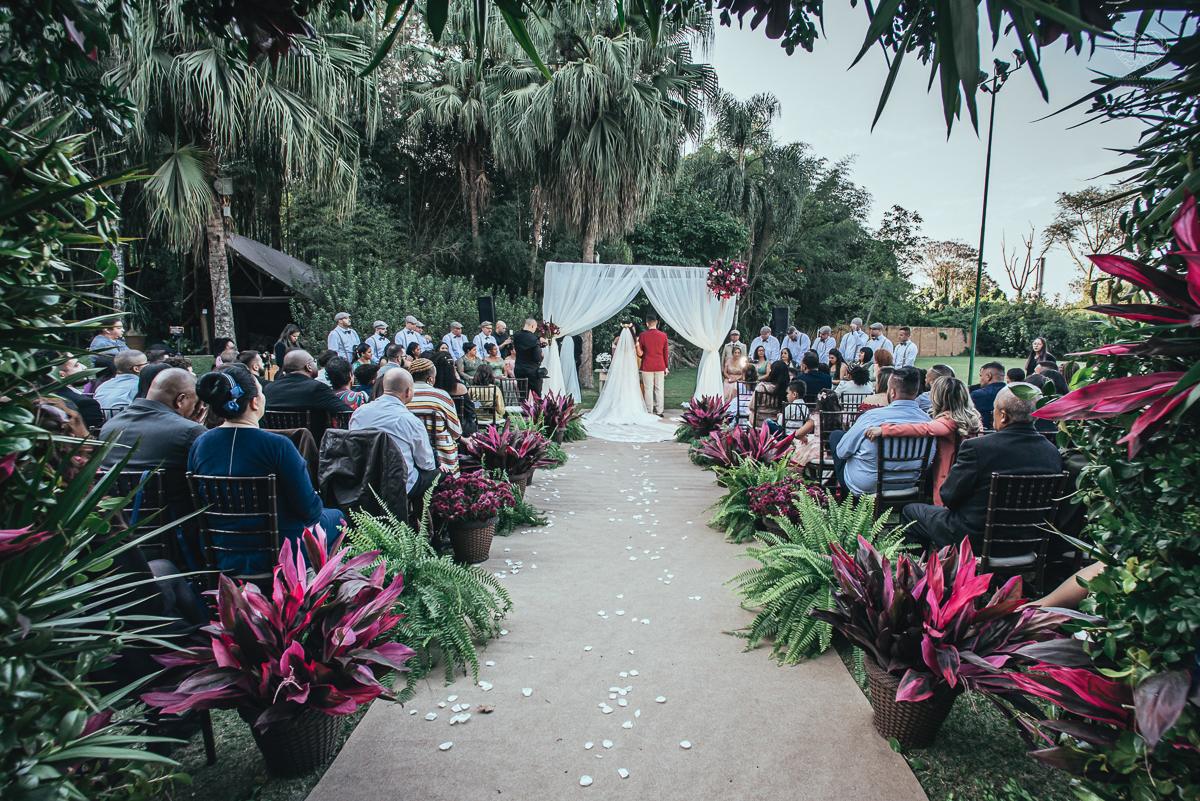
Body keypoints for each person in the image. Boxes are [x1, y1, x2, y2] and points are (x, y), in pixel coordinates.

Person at [189, 366, 344, 573]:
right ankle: (316, 586)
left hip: (220, 551)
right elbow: (309, 510)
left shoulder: (200, 445)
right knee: (337, 517)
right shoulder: (277, 446)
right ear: (255, 402)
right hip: (280, 552)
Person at [900, 383, 1063, 551]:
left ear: (1004, 416)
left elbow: (948, 496)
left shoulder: (978, 448)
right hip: (1028, 539)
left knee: (911, 512)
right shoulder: (1052, 453)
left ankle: (920, 566)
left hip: (974, 538)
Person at [99, 368, 207, 551]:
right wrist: (194, 428)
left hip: (118, 533)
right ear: (180, 400)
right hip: (176, 537)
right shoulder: (189, 432)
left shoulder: (110, 426)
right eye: (195, 402)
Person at [864, 376, 982, 506]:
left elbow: (924, 428)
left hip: (949, 477)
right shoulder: (974, 420)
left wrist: (886, 429)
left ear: (938, 397)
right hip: (969, 473)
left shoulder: (949, 421)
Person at [828, 367, 931, 495]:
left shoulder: (872, 417)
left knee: (836, 436)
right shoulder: (928, 422)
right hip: (907, 483)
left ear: (892, 392)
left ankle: (844, 500)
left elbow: (842, 452)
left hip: (866, 484)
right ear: (916, 392)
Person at [349, 367, 442, 503]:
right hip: (400, 485)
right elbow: (427, 464)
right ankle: (425, 515)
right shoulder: (411, 421)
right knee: (442, 474)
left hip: (363, 481)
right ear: (408, 391)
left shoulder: (358, 413)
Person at [586, 324, 678, 442]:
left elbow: (613, 354)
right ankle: (636, 409)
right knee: (631, 388)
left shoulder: (616, 339)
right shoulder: (634, 340)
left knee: (619, 387)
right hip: (630, 368)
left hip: (620, 368)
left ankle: (617, 409)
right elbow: (640, 354)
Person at [263, 349, 352, 429]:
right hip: (311, 441)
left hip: (277, 441)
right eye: (314, 361)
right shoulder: (316, 388)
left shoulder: (269, 388)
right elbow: (346, 413)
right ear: (308, 367)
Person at [406, 357, 462, 471]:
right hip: (441, 456)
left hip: (409, 454)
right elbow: (456, 432)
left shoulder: (404, 396)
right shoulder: (441, 396)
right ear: (431, 379)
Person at [38, 351, 104, 430]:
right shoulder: (85, 404)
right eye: (76, 365)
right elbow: (95, 435)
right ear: (61, 375)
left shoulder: (32, 399)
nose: (84, 367)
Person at [792, 389, 842, 466]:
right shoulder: (843, 416)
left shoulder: (816, 417)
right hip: (839, 449)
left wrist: (805, 440)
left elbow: (798, 434)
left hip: (819, 450)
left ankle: (811, 473)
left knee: (802, 447)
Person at [638, 313, 670, 416]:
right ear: (656, 322)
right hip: (660, 365)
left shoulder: (643, 335)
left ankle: (649, 411)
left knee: (648, 389)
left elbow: (640, 352)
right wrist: (666, 366)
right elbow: (665, 353)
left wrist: (644, 357)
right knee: (659, 389)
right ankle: (660, 411)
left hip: (647, 365)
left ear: (647, 323)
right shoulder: (663, 335)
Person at [750, 361, 790, 428]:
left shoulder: (762, 386)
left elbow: (751, 406)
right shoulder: (786, 389)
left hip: (759, 421)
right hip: (776, 422)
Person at [513, 318, 544, 397]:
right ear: (533, 326)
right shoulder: (534, 340)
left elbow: (525, 336)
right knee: (537, 396)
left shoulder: (516, 335)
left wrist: (538, 338)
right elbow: (538, 358)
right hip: (532, 371)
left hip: (519, 370)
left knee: (523, 395)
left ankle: (523, 405)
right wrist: (542, 356)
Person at [971, 362, 1007, 428]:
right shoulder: (1012, 394)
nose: (980, 380)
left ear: (989, 376)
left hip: (982, 432)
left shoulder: (977, 395)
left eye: (981, 376)